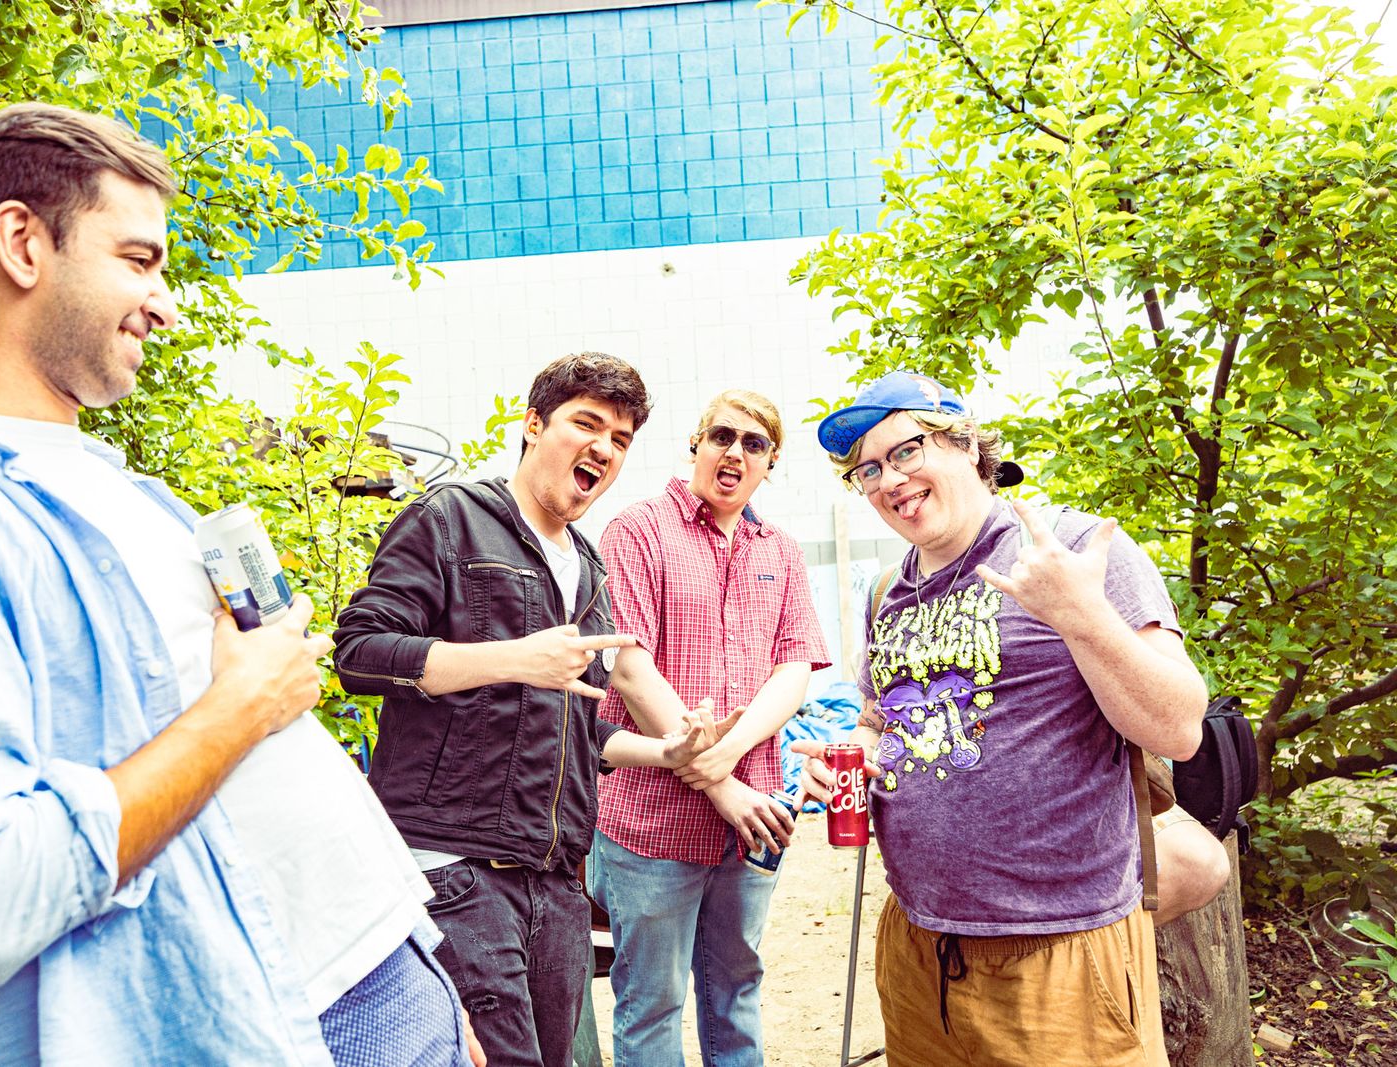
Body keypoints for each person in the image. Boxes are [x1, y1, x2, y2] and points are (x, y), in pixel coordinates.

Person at [0, 103, 480, 1066]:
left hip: (392, 978)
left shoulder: (126, 490)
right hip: (265, 1030)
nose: (164, 305)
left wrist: (422, 977)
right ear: (22, 243)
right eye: (138, 260)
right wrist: (240, 707)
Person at [796, 370, 1212, 1067]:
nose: (889, 479)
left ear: (965, 444)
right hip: (918, 946)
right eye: (867, 469)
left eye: (906, 450)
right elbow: (877, 719)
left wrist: (1081, 616)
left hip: (1062, 952)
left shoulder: (1069, 548)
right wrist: (858, 750)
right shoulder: (886, 590)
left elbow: (1178, 728)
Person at [334, 353, 735, 1067]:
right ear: (533, 425)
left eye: (620, 439)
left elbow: (571, 726)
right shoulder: (450, 519)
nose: (604, 448)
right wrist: (514, 658)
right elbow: (360, 653)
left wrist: (667, 753)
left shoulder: (589, 567)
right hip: (456, 867)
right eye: (587, 424)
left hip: (554, 879)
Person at [590, 390, 830, 1067]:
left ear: (770, 463)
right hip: (654, 819)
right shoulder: (636, 531)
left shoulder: (781, 551)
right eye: (722, 436)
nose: (735, 452)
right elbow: (629, 668)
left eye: (755, 444)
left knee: (736, 994)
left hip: (754, 820)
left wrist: (729, 756)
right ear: (695, 444)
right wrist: (721, 785)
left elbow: (793, 669)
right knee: (652, 1004)